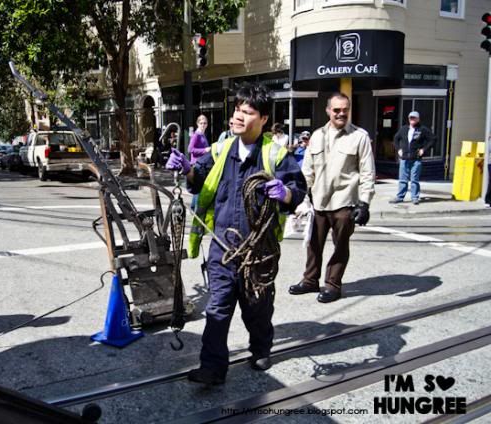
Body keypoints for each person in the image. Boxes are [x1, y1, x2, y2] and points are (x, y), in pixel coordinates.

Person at [166, 83, 307, 385]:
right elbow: (197, 176)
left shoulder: (277, 156)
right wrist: (186, 167)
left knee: (257, 307)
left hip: (258, 252)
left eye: (248, 111)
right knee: (217, 308)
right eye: (237, 109)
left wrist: (284, 194)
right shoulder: (221, 149)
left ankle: (260, 348)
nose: (239, 116)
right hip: (222, 248)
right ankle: (213, 368)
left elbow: (297, 191)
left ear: (264, 119)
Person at [289, 93, 375, 304]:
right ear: (328, 110)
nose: (341, 113)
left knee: (340, 245)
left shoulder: (359, 136)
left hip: (345, 202)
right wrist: (300, 196)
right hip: (319, 200)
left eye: (345, 109)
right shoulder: (317, 136)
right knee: (313, 244)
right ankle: (310, 281)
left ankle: (333, 284)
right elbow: (307, 169)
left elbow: (367, 172)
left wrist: (364, 203)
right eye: (336, 110)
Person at [390, 111, 435, 205]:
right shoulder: (404, 129)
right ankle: (400, 197)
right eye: (411, 118)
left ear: (418, 119)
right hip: (404, 158)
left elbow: (432, 139)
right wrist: (398, 149)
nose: (412, 119)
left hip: (416, 159)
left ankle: (415, 197)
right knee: (403, 179)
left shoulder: (422, 129)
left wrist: (424, 149)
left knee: (414, 180)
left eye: (414, 118)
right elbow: (395, 139)